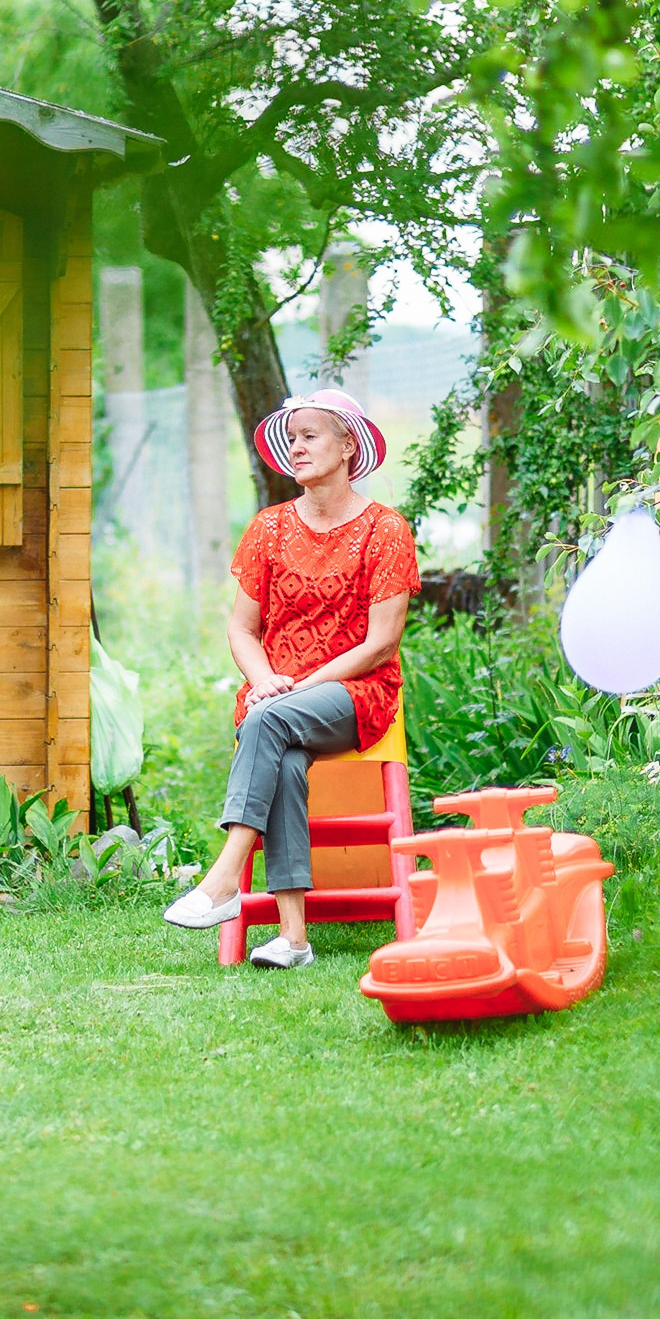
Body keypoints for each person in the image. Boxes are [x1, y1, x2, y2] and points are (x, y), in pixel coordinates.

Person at [161, 389, 419, 968]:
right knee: (280, 751)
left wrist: (299, 685)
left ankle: (224, 879)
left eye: (310, 435)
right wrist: (263, 679)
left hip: (355, 694)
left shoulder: (386, 530)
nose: (296, 447)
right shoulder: (269, 527)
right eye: (291, 437)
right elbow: (241, 629)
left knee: (267, 721)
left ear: (348, 445)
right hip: (277, 698)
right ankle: (295, 939)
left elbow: (381, 643)